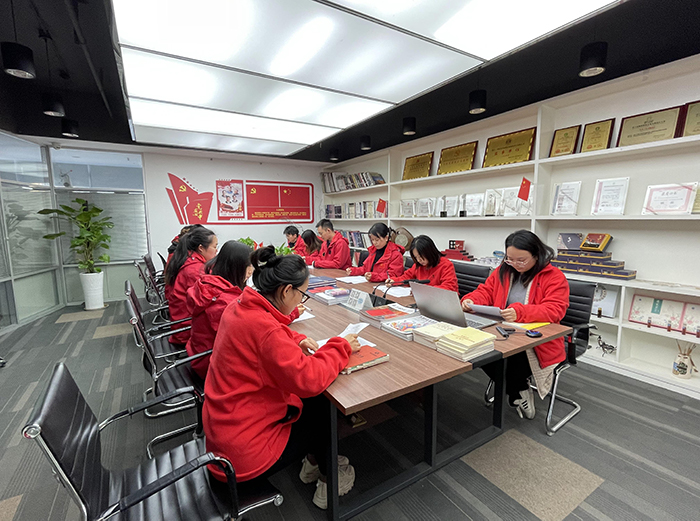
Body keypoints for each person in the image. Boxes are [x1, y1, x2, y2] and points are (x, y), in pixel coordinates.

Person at [203, 246, 361, 509]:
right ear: (286, 290)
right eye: (302, 294)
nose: (300, 301)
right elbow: (310, 379)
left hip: (225, 433)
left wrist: (294, 339)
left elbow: (269, 330)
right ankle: (329, 481)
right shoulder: (266, 331)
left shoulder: (238, 306)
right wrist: (341, 346)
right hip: (243, 455)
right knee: (322, 407)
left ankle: (313, 463)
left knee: (312, 403)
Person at [461, 229, 569, 419]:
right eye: (510, 259)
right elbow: (485, 291)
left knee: (506, 355)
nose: (515, 264)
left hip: (537, 340)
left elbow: (555, 309)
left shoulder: (553, 276)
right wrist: (472, 300)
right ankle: (518, 390)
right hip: (504, 330)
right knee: (477, 350)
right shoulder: (503, 271)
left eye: (521, 260)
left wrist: (520, 312)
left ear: (536, 255)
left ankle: (516, 390)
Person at [185, 240, 253, 379]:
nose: (251, 271)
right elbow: (247, 336)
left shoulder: (210, 283)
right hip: (212, 366)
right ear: (236, 267)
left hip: (199, 354)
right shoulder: (225, 301)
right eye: (248, 266)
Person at [164, 227, 218, 346]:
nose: (216, 251)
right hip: (187, 330)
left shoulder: (188, 259)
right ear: (201, 248)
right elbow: (206, 304)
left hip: (182, 321)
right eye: (214, 247)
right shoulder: (195, 271)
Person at [386, 235, 458, 292]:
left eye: (421, 257)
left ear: (429, 252)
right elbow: (406, 277)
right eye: (416, 257)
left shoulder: (446, 265)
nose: (419, 260)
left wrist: (424, 291)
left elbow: (449, 288)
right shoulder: (418, 265)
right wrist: (394, 281)